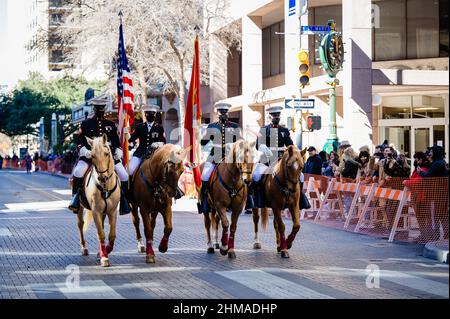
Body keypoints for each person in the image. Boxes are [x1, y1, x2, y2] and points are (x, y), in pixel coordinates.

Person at [68, 99, 131, 215]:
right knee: (78, 172)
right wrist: (85, 151)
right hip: (90, 157)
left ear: (105, 109)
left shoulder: (111, 125)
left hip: (108, 157)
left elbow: (116, 143)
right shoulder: (86, 124)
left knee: (124, 175)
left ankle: (125, 201)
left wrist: (118, 151)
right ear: (94, 109)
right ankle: (75, 199)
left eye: (102, 108)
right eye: (98, 109)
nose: (100, 111)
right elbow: (80, 142)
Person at [198, 102, 242, 214]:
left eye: (225, 112)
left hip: (231, 157)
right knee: (205, 176)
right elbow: (203, 142)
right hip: (215, 155)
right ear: (218, 113)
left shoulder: (234, 126)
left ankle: (246, 201)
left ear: (228, 113)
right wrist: (201, 135)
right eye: (221, 112)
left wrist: (234, 145)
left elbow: (241, 141)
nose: (223, 114)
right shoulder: (212, 126)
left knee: (244, 175)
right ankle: (204, 202)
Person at [418, 145, 449, 240]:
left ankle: (437, 236)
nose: (429, 154)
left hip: (438, 194)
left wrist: (420, 172)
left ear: (435, 153)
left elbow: (429, 175)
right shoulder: (440, 162)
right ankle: (443, 235)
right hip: (440, 193)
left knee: (439, 215)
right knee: (441, 214)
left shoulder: (437, 163)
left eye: (431, 152)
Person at [403, 152, 431, 241]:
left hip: (421, 197)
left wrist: (406, 182)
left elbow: (418, 181)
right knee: (420, 218)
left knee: (423, 218)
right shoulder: (419, 169)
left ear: (420, 159)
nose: (415, 161)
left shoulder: (423, 169)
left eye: (416, 159)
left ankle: (425, 235)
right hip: (417, 196)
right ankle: (423, 235)